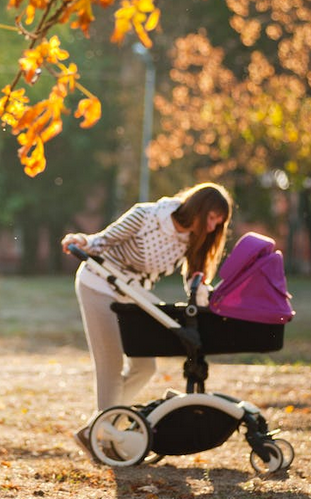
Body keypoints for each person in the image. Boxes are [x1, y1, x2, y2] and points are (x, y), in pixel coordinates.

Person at [60, 182, 233, 457]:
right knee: (111, 365)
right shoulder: (147, 216)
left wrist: (208, 301)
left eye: (218, 223)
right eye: (212, 218)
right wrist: (80, 241)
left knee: (144, 366)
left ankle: (97, 429)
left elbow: (195, 280)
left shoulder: (193, 238)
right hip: (100, 284)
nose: (213, 228)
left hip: (134, 294)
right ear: (199, 208)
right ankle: (102, 443)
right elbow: (102, 240)